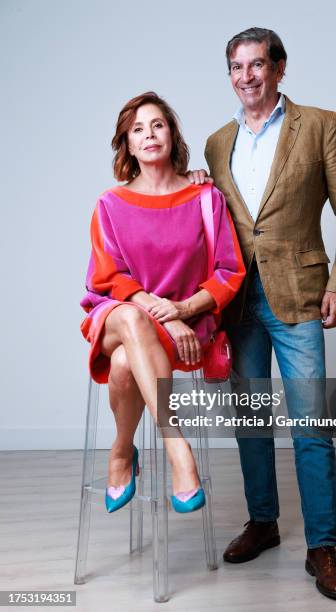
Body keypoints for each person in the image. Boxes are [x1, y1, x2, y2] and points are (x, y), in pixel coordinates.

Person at [189, 27, 336, 600]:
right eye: (237, 67)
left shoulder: (319, 125)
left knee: (311, 424)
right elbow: (215, 217)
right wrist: (195, 185)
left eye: (257, 65)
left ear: (279, 68)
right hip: (238, 301)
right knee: (250, 422)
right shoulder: (217, 143)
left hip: (299, 297)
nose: (247, 76)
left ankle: (323, 548)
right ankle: (263, 523)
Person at [80, 91, 245, 515]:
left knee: (122, 365)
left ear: (172, 133)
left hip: (186, 326)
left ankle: (121, 452)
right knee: (133, 318)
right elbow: (108, 278)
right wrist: (166, 317)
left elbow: (230, 272)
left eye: (157, 124)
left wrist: (184, 311)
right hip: (119, 313)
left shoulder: (205, 198)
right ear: (128, 145)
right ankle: (176, 445)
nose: (149, 134)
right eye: (138, 129)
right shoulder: (111, 204)